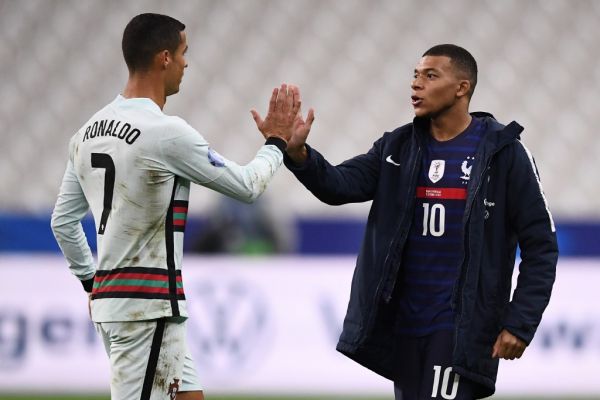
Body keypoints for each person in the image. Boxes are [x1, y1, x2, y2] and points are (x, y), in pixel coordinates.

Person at [281, 44, 558, 399]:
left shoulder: (504, 153)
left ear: (462, 88)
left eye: (430, 76)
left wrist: (520, 322)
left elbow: (541, 246)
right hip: (406, 325)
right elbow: (339, 185)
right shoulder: (397, 146)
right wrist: (299, 154)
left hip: (458, 329)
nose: (416, 85)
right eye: (415, 75)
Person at [51, 13, 300, 400]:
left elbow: (63, 222)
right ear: (164, 58)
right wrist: (277, 142)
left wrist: (91, 283)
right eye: (184, 53)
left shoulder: (85, 133)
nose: (187, 64)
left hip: (124, 304)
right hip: (146, 309)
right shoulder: (165, 133)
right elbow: (248, 186)